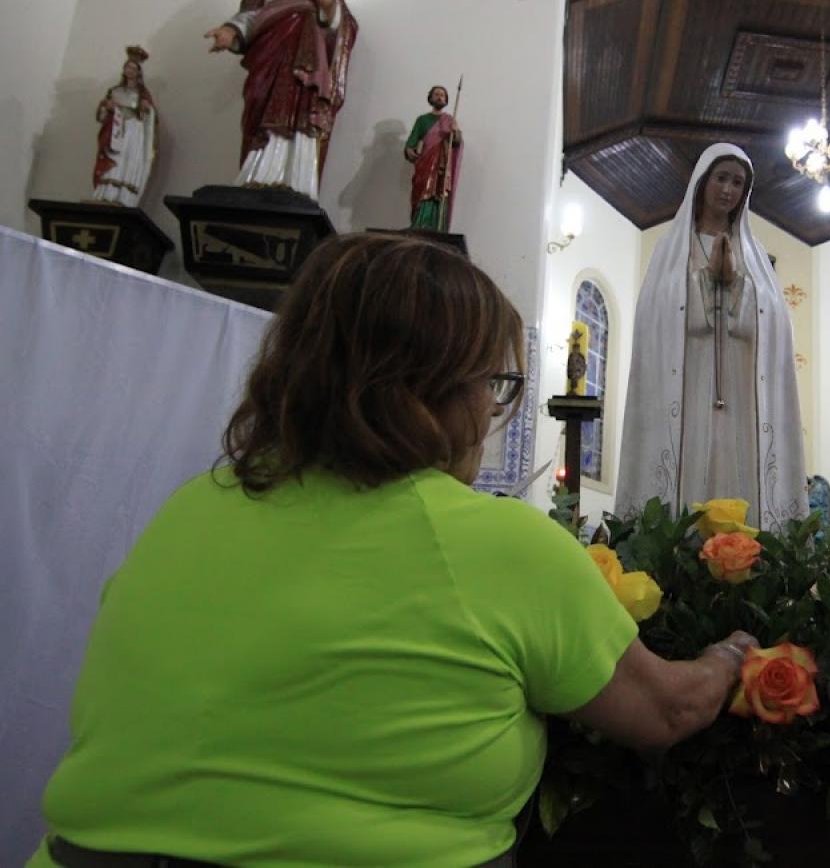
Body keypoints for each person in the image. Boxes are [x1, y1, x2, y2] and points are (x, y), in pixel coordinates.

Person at [26, 233, 755, 868]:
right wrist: (730, 653)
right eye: (488, 384)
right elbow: (666, 710)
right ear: (431, 391)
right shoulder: (496, 542)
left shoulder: (187, 508)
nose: (488, 412)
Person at [615, 143, 806, 531]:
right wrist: (706, 280)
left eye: (738, 182)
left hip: (740, 388)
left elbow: (773, 323)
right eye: (721, 178)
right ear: (703, 182)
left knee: (734, 458)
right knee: (691, 460)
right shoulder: (671, 248)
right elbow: (658, 313)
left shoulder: (753, 253)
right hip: (687, 383)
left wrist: (736, 283)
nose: (728, 189)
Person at [203, 0, 357, 201]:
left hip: (306, 56)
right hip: (270, 52)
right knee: (261, 100)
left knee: (302, 108)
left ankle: (295, 179)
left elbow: (342, 25)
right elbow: (251, 13)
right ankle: (256, 174)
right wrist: (230, 31)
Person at [91, 46, 157, 208]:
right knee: (113, 158)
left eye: (134, 68)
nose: (130, 71)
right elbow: (102, 117)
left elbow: (148, 116)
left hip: (133, 130)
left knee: (127, 159)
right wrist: (105, 108)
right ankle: (106, 192)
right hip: (116, 131)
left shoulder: (142, 94)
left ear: (139, 72)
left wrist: (145, 109)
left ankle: (123, 195)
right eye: (128, 67)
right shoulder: (114, 91)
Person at [404, 84, 463, 230]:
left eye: (442, 95)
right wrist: (409, 151)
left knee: (439, 192)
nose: (439, 97)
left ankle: (437, 226)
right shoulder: (422, 120)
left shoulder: (449, 120)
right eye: (436, 94)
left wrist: (455, 132)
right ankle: (420, 224)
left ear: (446, 100)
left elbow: (456, 143)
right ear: (430, 98)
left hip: (442, 164)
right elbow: (411, 142)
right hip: (425, 162)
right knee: (423, 191)